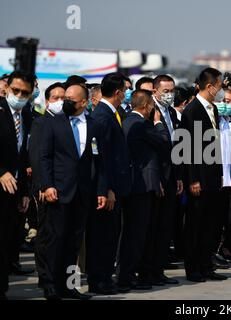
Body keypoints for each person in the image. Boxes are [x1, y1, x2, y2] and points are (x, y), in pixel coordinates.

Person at [39, 84, 107, 300]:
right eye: (65, 98)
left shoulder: (95, 125)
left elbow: (100, 161)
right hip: (58, 191)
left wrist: (102, 190)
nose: (66, 102)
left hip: (83, 193)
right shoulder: (53, 123)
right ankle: (50, 284)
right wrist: (47, 185)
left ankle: (69, 285)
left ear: (84, 103)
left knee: (74, 242)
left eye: (71, 99)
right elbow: (43, 157)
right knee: (55, 240)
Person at [117, 90, 169, 292]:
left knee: (133, 232)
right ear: (147, 106)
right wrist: (157, 122)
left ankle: (128, 274)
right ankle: (126, 276)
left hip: (136, 183)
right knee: (136, 234)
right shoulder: (140, 124)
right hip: (140, 185)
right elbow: (164, 141)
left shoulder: (128, 120)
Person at [180, 67, 226, 282]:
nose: (221, 90)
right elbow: (186, 148)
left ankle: (206, 265)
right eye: (219, 86)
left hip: (213, 177)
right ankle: (193, 268)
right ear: (209, 86)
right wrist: (193, 179)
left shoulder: (213, 109)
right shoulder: (192, 110)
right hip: (199, 179)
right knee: (195, 226)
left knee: (210, 225)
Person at [87, 72, 131, 295]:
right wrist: (107, 189)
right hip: (107, 190)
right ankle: (99, 280)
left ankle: (105, 278)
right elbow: (101, 157)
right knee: (102, 238)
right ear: (117, 92)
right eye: (125, 89)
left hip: (115, 186)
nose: (127, 94)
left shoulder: (111, 114)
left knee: (110, 236)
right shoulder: (103, 116)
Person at [0, 71, 35, 299]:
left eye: (25, 92)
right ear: (7, 87)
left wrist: (24, 191)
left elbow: (23, 157)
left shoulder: (27, 116)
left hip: (13, 191)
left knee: (5, 241)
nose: (19, 96)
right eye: (16, 91)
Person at [29, 82, 66, 288]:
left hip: (64, 190)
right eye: (55, 98)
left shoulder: (67, 121)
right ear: (47, 101)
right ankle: (45, 278)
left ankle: (60, 277)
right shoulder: (42, 123)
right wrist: (44, 185)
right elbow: (37, 157)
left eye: (63, 98)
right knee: (46, 236)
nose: (60, 102)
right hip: (46, 189)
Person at [148, 74, 183, 285]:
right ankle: (148, 270)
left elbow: (176, 146)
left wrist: (178, 175)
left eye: (172, 91)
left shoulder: (171, 112)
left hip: (172, 175)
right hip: (156, 176)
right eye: (166, 91)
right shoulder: (149, 112)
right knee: (152, 226)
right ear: (155, 91)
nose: (169, 95)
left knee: (165, 226)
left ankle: (159, 270)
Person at [212, 88, 231, 270]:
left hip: (228, 179)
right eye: (225, 101)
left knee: (220, 221)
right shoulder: (212, 123)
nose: (228, 106)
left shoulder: (230, 124)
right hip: (214, 179)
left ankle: (214, 252)